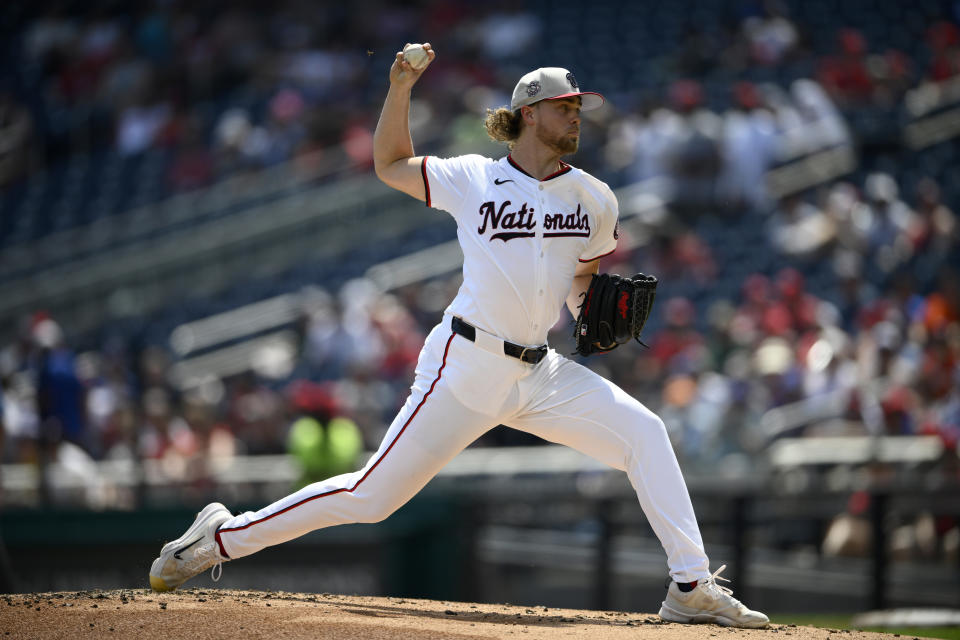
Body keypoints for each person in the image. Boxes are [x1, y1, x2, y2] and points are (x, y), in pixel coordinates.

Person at [149, 44, 768, 628]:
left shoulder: (594, 198)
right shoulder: (472, 176)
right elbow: (389, 164)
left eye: (580, 106)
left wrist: (592, 311)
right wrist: (400, 88)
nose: (577, 115)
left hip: (539, 372)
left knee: (645, 432)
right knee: (371, 497)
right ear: (529, 115)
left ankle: (689, 589)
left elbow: (582, 276)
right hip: (466, 362)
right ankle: (220, 537)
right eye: (565, 106)